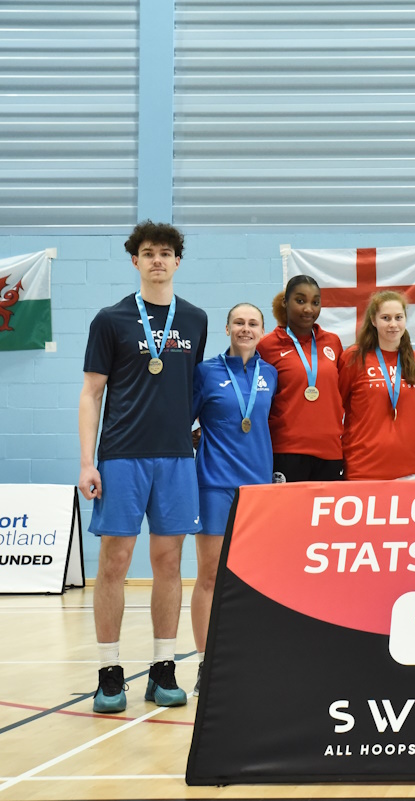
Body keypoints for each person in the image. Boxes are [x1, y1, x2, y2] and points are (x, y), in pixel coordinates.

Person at [78, 220, 207, 713]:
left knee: (170, 563)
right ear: (135, 261)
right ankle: (109, 674)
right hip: (121, 456)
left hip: (176, 458)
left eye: (166, 253)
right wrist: (87, 462)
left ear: (178, 261)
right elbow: (92, 393)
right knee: (114, 562)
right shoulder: (110, 319)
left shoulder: (194, 319)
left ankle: (163, 667)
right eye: (149, 253)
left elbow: (192, 387)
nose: (157, 260)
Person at [191, 302, 277, 696]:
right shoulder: (206, 372)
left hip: (257, 491)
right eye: (238, 322)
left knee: (254, 579)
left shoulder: (270, 374)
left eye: (253, 323)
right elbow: (183, 421)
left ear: (262, 330)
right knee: (210, 576)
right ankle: (205, 663)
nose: (246, 328)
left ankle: (248, 659)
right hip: (214, 485)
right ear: (226, 328)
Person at [256, 275, 344, 482]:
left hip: (330, 451)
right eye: (300, 300)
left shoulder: (332, 342)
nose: (308, 309)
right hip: (286, 451)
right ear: (285, 302)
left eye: (315, 302)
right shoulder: (267, 346)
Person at [338, 291, 415, 480]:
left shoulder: (414, 359)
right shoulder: (354, 357)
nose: (393, 324)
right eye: (386, 318)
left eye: (398, 317)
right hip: (364, 469)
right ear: (373, 320)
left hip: (410, 468)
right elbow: (337, 409)